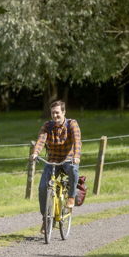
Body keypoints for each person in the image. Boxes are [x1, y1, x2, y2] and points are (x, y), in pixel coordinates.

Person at [30, 100, 81, 233]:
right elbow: (41, 140)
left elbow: (77, 141)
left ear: (63, 112)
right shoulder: (48, 125)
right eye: (53, 113)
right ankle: (46, 219)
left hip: (69, 159)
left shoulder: (72, 124)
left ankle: (71, 196)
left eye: (57, 113)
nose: (55, 116)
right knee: (42, 188)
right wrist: (35, 153)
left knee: (74, 171)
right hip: (52, 160)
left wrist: (76, 156)